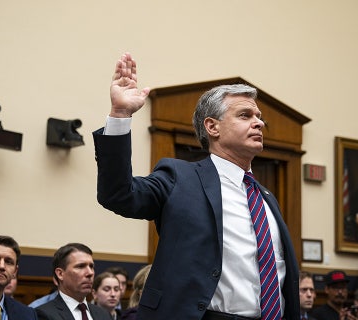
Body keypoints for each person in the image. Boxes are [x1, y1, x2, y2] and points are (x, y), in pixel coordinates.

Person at [94, 52, 301, 320]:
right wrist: (120, 114)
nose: (259, 122)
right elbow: (119, 194)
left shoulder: (265, 197)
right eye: (245, 115)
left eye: (259, 116)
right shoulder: (179, 177)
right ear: (212, 127)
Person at [35, 242, 111, 320]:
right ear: (60, 274)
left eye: (91, 266)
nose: (90, 273)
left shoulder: (104, 314)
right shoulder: (44, 314)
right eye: (81, 266)